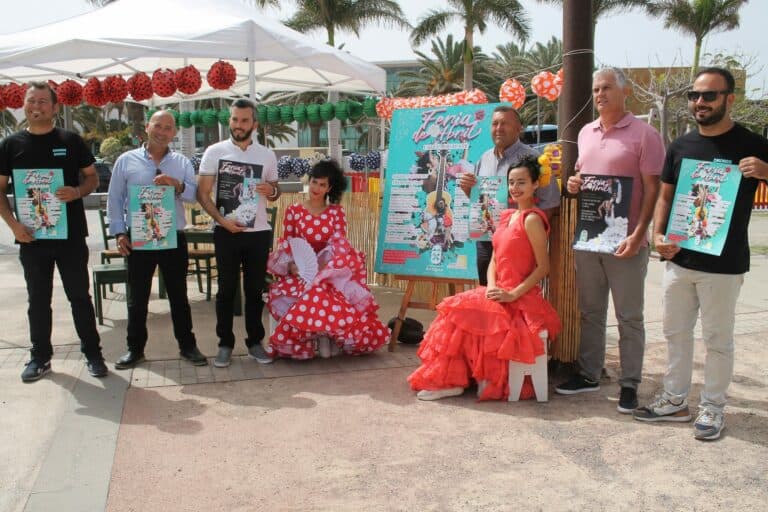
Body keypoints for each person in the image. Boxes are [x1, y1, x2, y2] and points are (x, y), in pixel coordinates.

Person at [633, 67, 768, 440]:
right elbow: (665, 194)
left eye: (709, 95)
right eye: (694, 96)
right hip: (679, 258)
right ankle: (675, 400)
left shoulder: (753, 144)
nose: (700, 102)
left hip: (724, 266)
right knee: (675, 333)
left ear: (729, 98)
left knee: (717, 340)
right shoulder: (681, 146)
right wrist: (658, 234)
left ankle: (713, 406)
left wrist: (767, 170)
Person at [554, 67, 665, 414]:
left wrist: (638, 233)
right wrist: (574, 184)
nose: (599, 94)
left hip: (626, 243)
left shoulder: (645, 135)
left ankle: (629, 384)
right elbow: (581, 177)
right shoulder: (586, 132)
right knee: (591, 311)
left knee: (629, 316)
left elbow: (653, 189)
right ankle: (589, 374)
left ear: (624, 92)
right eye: (596, 89)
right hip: (591, 240)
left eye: (606, 88)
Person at [409, 157, 561, 401]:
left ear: (535, 185)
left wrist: (512, 294)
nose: (515, 188)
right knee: (455, 313)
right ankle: (453, 381)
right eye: (511, 182)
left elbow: (543, 268)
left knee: (461, 313)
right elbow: (494, 259)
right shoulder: (507, 215)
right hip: (497, 290)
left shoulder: (532, 219)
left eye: (522, 182)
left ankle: (470, 379)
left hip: (520, 300)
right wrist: (491, 286)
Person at [0, 82, 107, 382]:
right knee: (38, 300)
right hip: (32, 238)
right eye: (31, 100)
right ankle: (40, 357)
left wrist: (76, 191)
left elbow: (91, 179)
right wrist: (14, 226)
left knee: (79, 298)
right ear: (23, 105)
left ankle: (93, 354)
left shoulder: (71, 141)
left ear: (55, 107)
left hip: (71, 237)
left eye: (43, 101)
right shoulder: (11, 146)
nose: (37, 106)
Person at [108, 110, 206, 369]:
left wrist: (177, 184)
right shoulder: (126, 160)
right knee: (137, 298)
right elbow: (115, 199)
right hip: (139, 237)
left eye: (168, 128)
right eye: (158, 125)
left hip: (173, 237)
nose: (162, 132)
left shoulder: (182, 162)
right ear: (148, 127)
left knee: (179, 296)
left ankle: (188, 346)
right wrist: (119, 233)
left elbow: (193, 196)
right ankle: (135, 349)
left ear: (174, 133)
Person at [264, 159, 389, 360]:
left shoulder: (336, 213)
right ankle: (318, 336)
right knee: (312, 290)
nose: (316, 188)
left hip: (330, 274)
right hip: (300, 275)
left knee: (324, 289)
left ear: (330, 188)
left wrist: (326, 267)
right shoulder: (293, 211)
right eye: (314, 182)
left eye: (322, 184)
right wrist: (292, 265)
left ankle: (327, 335)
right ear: (309, 180)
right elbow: (287, 244)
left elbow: (339, 245)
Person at [197, 99, 279, 368]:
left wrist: (271, 190)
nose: (238, 125)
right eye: (234, 120)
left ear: (254, 124)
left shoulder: (266, 155)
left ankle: (255, 342)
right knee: (226, 291)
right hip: (226, 231)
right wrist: (222, 221)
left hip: (258, 233)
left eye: (244, 121)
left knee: (255, 290)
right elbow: (202, 193)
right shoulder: (214, 152)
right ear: (229, 121)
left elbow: (275, 191)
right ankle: (225, 344)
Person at [458, 105, 561, 285]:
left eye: (504, 123)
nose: (499, 128)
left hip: (516, 243)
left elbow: (550, 203)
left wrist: (527, 233)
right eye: (495, 124)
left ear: (518, 128)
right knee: (487, 293)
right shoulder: (484, 158)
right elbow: (481, 201)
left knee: (515, 297)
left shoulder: (533, 159)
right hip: (486, 239)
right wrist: (469, 191)